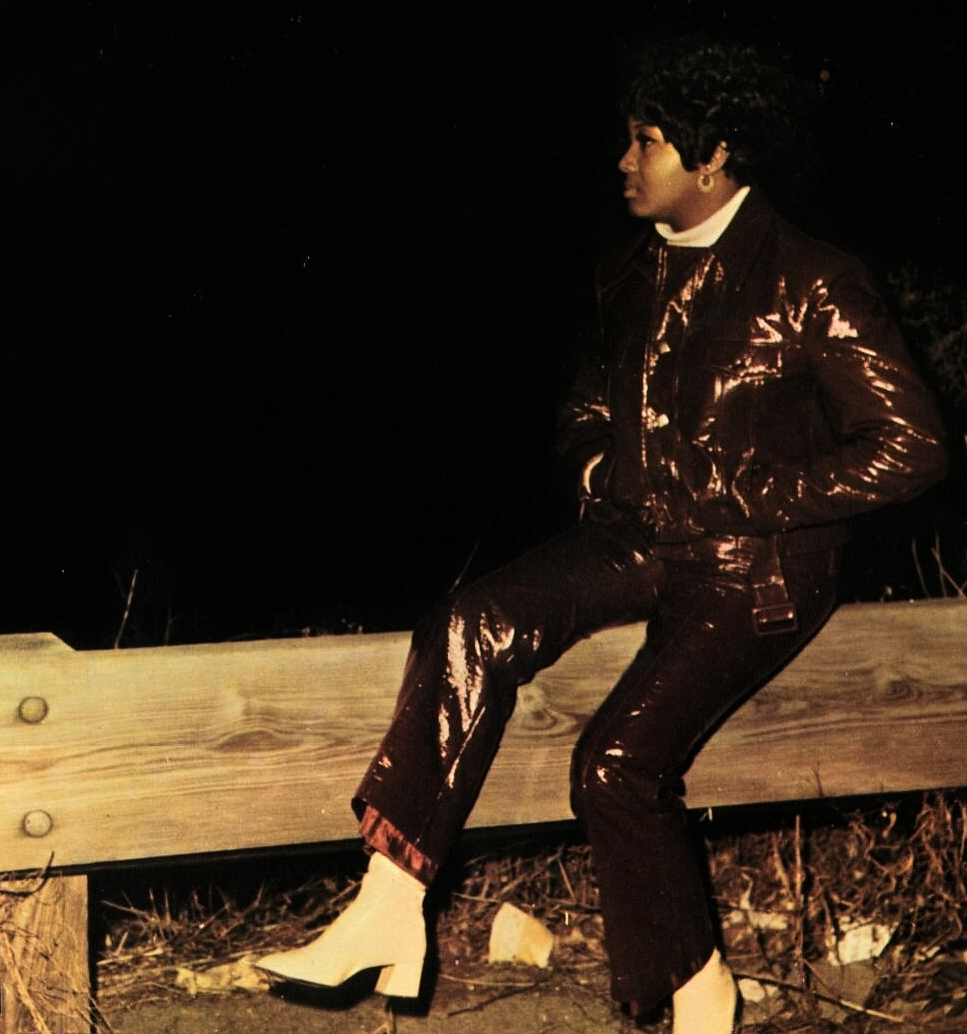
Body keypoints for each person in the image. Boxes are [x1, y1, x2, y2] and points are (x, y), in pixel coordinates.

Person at [258, 40, 947, 1032]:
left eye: (646, 141)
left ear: (713, 158)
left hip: (754, 566)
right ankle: (388, 905)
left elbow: (912, 447)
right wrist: (593, 467)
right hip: (635, 536)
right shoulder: (630, 270)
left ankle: (701, 992)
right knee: (466, 622)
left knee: (615, 764)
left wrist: (741, 494)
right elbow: (586, 405)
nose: (624, 162)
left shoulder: (812, 277)